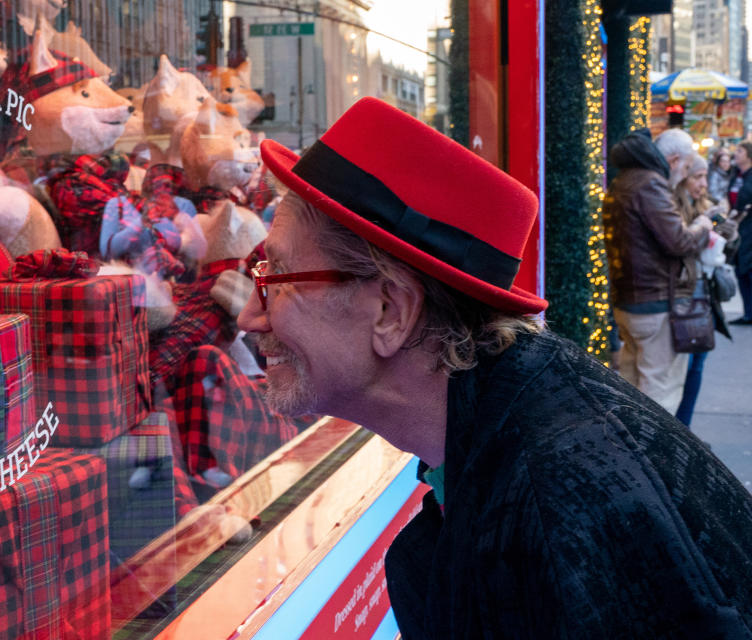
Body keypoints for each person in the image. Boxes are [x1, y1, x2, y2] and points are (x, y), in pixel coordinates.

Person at [238, 98, 752, 639]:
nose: (252, 313)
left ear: (390, 311)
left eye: (280, 275)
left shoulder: (555, 515)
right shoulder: (510, 436)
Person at [602, 128, 711, 414]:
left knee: (632, 388)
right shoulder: (651, 183)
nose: (685, 174)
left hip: (632, 303)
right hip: (655, 306)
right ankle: (654, 458)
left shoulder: (625, 178)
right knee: (659, 395)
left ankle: (630, 454)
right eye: (687, 167)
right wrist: (703, 226)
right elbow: (679, 240)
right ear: (674, 160)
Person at [672, 152, 738, 426]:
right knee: (682, 368)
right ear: (684, 178)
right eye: (697, 177)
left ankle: (684, 427)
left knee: (697, 364)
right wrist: (701, 227)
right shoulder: (673, 206)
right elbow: (679, 244)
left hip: (705, 297)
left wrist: (728, 230)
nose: (702, 183)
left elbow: (731, 242)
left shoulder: (707, 205)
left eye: (703, 177)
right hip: (684, 298)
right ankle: (674, 427)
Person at [726, 141, 752, 324]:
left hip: (750, 227)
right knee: (740, 270)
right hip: (737, 228)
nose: (736, 154)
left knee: (748, 269)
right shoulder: (736, 175)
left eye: (740, 151)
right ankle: (748, 312)